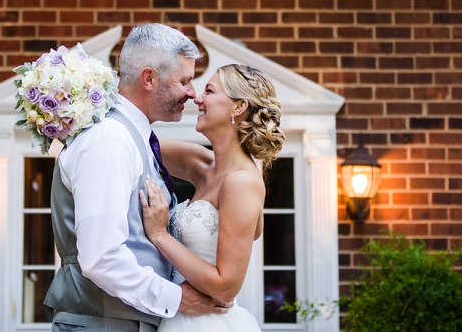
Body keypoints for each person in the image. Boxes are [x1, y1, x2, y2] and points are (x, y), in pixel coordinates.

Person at [45, 23, 230, 332]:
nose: (192, 92)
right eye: (185, 81)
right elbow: (101, 257)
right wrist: (178, 299)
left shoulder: (134, 138)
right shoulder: (109, 140)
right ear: (149, 79)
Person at [139, 64, 284, 332]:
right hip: (176, 318)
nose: (197, 98)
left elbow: (226, 287)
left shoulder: (241, 182)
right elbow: (139, 140)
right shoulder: (205, 165)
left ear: (238, 107)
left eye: (209, 90)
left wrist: (160, 235)